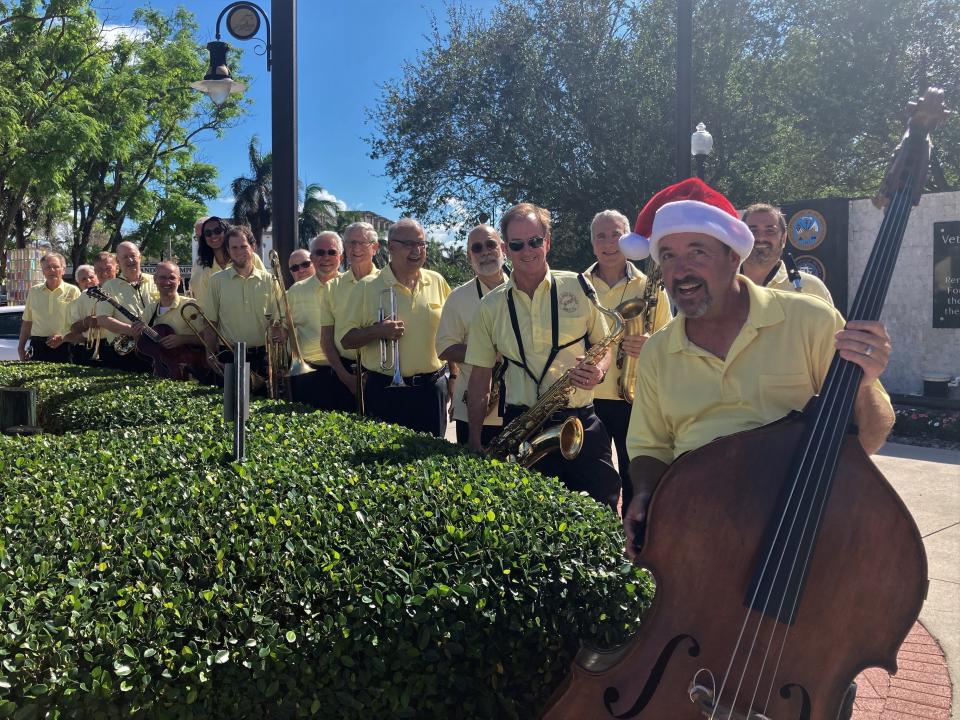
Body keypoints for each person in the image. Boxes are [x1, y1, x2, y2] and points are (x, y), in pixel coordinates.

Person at [620, 177, 888, 720]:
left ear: (733, 254)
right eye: (667, 255)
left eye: (697, 250)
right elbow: (649, 444)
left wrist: (864, 380)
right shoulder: (658, 355)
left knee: (814, 678)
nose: (680, 269)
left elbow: (873, 435)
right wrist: (644, 495)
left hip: (804, 545)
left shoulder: (809, 321)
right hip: (704, 552)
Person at [465, 203, 621, 509]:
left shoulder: (577, 285)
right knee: (532, 523)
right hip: (522, 427)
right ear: (506, 249)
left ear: (547, 241)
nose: (528, 251)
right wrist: (473, 440)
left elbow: (604, 346)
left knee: (602, 513)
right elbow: (480, 376)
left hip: (581, 424)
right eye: (517, 244)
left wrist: (599, 371)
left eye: (535, 241)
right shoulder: (489, 307)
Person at [585, 209, 671, 513]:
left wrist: (650, 345)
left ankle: (634, 536)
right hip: (586, 396)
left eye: (616, 235)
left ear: (630, 238)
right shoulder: (577, 286)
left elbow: (669, 337)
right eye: (601, 236)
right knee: (594, 476)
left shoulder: (650, 286)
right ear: (592, 243)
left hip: (632, 396)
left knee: (633, 472)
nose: (609, 243)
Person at [339, 218, 451, 437]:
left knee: (434, 464)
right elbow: (346, 339)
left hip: (432, 390)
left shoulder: (437, 280)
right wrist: (377, 331)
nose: (417, 250)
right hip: (384, 391)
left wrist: (453, 378)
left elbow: (451, 333)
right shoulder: (366, 287)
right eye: (408, 244)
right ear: (391, 247)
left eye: (421, 244)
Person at [436, 224, 509, 446]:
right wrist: (486, 353)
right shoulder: (457, 298)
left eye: (491, 244)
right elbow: (445, 347)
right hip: (474, 408)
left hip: (523, 405)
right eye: (477, 248)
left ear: (503, 249)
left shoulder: (525, 289)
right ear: (470, 256)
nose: (485, 252)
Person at [285, 232, 353, 410]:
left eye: (331, 252)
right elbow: (284, 328)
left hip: (349, 371)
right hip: (310, 374)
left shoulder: (355, 287)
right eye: (319, 252)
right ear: (313, 257)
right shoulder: (295, 291)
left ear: (341, 256)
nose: (325, 257)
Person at [201, 225, 277, 384]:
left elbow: (276, 321)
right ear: (227, 250)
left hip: (263, 356)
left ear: (253, 247)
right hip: (229, 355)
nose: (238, 251)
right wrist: (209, 353)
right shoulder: (216, 281)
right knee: (229, 407)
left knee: (263, 406)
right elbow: (210, 322)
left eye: (243, 246)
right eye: (233, 247)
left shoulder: (270, 281)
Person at [319, 222, 381, 411]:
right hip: (343, 372)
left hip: (379, 372)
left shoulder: (386, 283)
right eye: (350, 243)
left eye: (362, 243)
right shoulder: (332, 287)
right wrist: (345, 377)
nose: (355, 249)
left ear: (375, 248)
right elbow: (326, 340)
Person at [739, 203, 833, 304]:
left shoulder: (812, 288)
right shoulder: (722, 284)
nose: (761, 238)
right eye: (753, 230)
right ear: (740, 236)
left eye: (770, 231)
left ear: (783, 239)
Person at [95, 241, 157, 372]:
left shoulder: (156, 280)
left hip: (156, 349)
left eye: (133, 255)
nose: (130, 260)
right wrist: (131, 330)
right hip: (126, 352)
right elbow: (102, 319)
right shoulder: (109, 286)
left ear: (140, 257)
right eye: (124, 257)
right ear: (118, 261)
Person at [189, 216, 265, 310]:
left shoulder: (251, 258)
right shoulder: (200, 266)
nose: (213, 236)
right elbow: (202, 302)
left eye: (217, 231)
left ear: (226, 232)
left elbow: (265, 289)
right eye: (207, 233)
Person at [18, 252, 79, 362]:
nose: (51, 270)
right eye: (47, 267)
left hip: (65, 345)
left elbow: (80, 322)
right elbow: (27, 322)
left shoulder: (73, 291)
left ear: (63, 269)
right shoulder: (34, 291)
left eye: (55, 267)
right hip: (38, 347)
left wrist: (63, 336)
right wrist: (20, 347)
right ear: (43, 271)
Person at [63, 264, 103, 364]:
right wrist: (86, 322)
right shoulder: (73, 304)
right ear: (78, 282)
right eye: (83, 279)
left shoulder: (108, 297)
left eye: (91, 277)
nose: (88, 281)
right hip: (83, 350)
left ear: (97, 277)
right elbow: (70, 332)